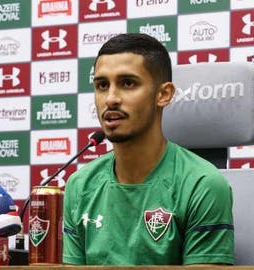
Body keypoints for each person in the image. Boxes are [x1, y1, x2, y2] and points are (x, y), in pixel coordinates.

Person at [62, 33, 234, 265]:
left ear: (163, 94)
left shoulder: (202, 184)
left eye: (128, 83)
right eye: (102, 85)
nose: (111, 99)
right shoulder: (79, 185)